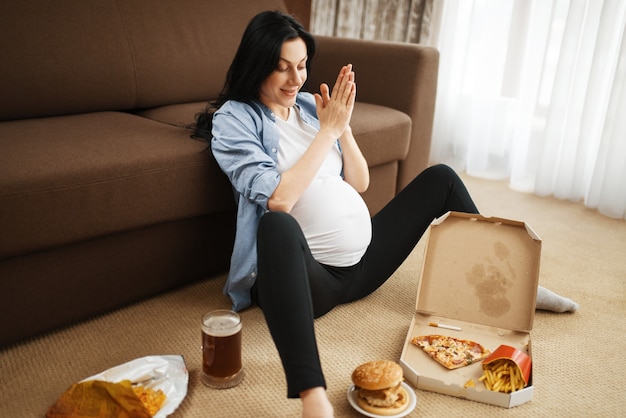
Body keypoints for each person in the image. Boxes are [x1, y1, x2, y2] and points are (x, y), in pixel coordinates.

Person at [192, 10, 578, 418]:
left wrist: (343, 128)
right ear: (257, 64)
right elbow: (280, 200)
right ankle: (312, 397)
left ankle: (516, 287)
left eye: (302, 66)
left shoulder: (308, 106)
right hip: (308, 283)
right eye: (281, 68)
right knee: (277, 224)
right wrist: (326, 133)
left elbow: (358, 182)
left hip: (361, 269)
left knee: (442, 178)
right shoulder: (235, 119)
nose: (295, 79)